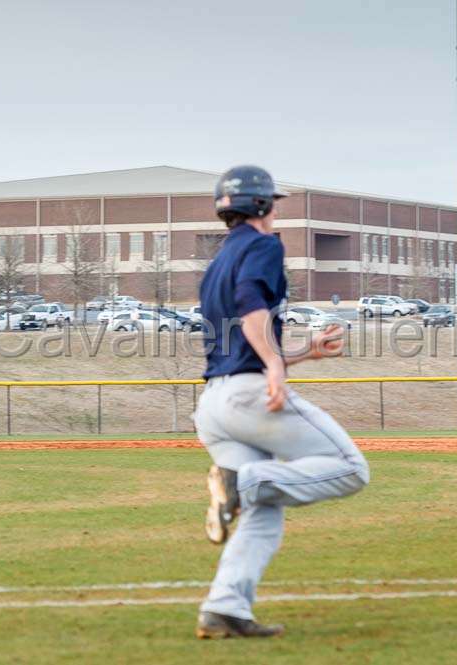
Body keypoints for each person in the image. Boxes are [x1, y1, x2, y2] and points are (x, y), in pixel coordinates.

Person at [192, 165, 370, 638]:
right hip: (248, 395)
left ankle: (224, 609)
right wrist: (274, 365)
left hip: (215, 404)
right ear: (263, 205)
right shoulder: (263, 245)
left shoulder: (219, 260)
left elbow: (239, 339)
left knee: (265, 512)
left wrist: (300, 354)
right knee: (351, 468)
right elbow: (251, 304)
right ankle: (237, 482)